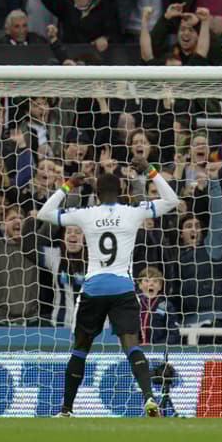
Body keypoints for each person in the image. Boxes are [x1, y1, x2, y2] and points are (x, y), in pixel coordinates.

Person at [36, 159, 180, 417]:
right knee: (132, 346)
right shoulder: (133, 211)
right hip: (123, 288)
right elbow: (171, 201)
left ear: (97, 194)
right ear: (121, 192)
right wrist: (150, 171)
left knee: (80, 349)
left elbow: (44, 213)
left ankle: (66, 410)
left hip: (94, 288)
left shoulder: (86, 213)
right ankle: (149, 398)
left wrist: (68, 186)